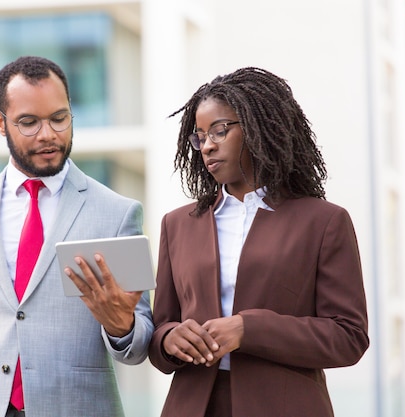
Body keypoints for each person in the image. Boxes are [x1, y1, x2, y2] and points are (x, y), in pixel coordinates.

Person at [0, 56, 153, 417]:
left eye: (59, 118)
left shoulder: (117, 213)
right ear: (0, 123)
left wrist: (122, 326)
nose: (48, 134)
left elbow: (141, 341)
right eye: (29, 122)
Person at [148, 67, 369, 417]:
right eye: (199, 136)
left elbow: (348, 337)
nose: (207, 145)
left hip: (284, 405)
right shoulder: (177, 224)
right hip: (191, 405)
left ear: (259, 128)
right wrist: (169, 338)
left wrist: (248, 329)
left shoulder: (323, 222)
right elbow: (161, 326)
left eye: (220, 130)